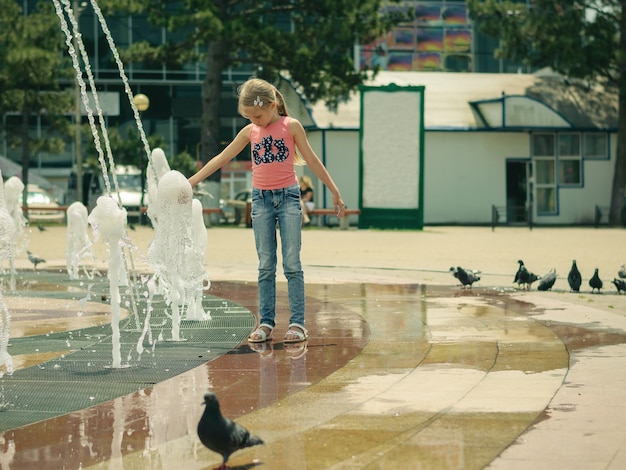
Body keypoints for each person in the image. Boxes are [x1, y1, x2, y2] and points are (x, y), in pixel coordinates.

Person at [188, 78, 345, 344]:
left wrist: (334, 190)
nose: (255, 121)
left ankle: (297, 323)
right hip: (260, 201)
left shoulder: (290, 126)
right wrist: (190, 181)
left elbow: (312, 160)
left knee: (292, 263)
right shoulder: (250, 131)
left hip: (288, 200)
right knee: (265, 265)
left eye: (258, 115)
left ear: (272, 105)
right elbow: (221, 158)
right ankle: (266, 322)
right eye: (249, 117)